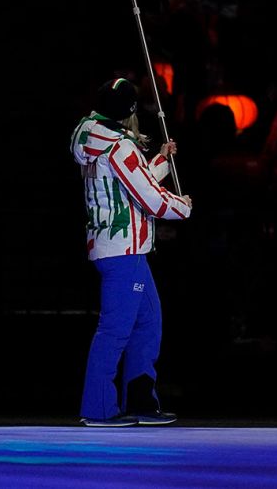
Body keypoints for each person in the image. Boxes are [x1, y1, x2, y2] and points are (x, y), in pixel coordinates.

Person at [73, 78, 192, 428]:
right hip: (123, 249)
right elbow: (149, 199)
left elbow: (130, 180)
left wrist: (160, 161)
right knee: (115, 329)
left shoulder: (93, 135)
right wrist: (182, 207)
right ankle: (98, 408)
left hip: (124, 249)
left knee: (148, 322)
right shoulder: (119, 146)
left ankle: (141, 399)